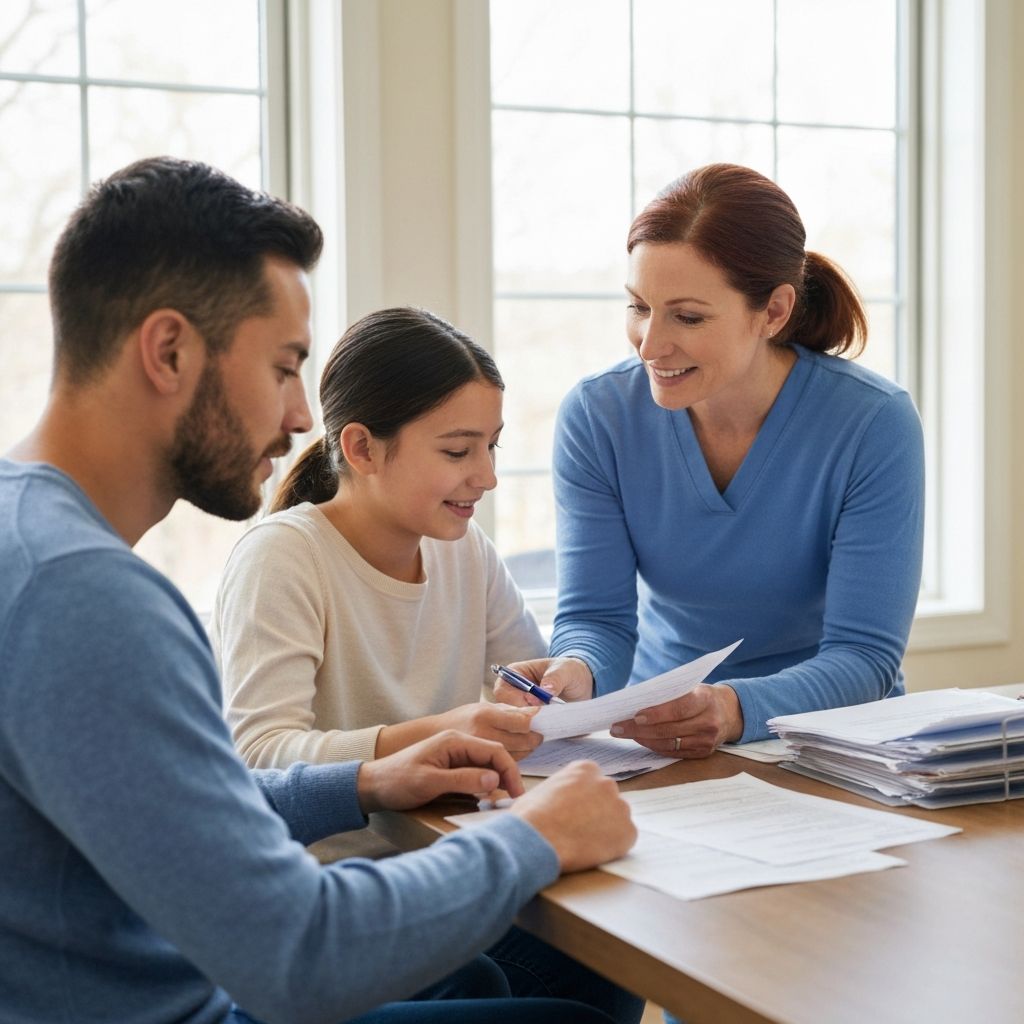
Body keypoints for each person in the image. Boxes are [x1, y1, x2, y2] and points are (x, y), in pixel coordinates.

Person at [0, 156, 641, 1024]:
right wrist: (535, 836)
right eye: (283, 366)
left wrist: (367, 780)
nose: (304, 415)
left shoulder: (27, 536)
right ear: (169, 351)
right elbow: (298, 957)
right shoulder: (84, 598)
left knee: (504, 982)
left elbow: (176, 814)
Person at [499, 162, 925, 758]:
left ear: (774, 312)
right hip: (661, 739)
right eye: (639, 306)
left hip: (835, 747)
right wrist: (575, 670)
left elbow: (864, 658)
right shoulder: (599, 417)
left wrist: (732, 709)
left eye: (688, 316)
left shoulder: (874, 423)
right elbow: (597, 618)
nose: (650, 344)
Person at [212, 308, 547, 770]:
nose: (488, 478)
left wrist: (555, 690)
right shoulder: (283, 558)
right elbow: (261, 753)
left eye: (491, 446)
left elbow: (531, 675)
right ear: (362, 449)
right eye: (457, 451)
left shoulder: (465, 549)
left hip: (453, 829)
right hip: (341, 844)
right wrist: (440, 734)